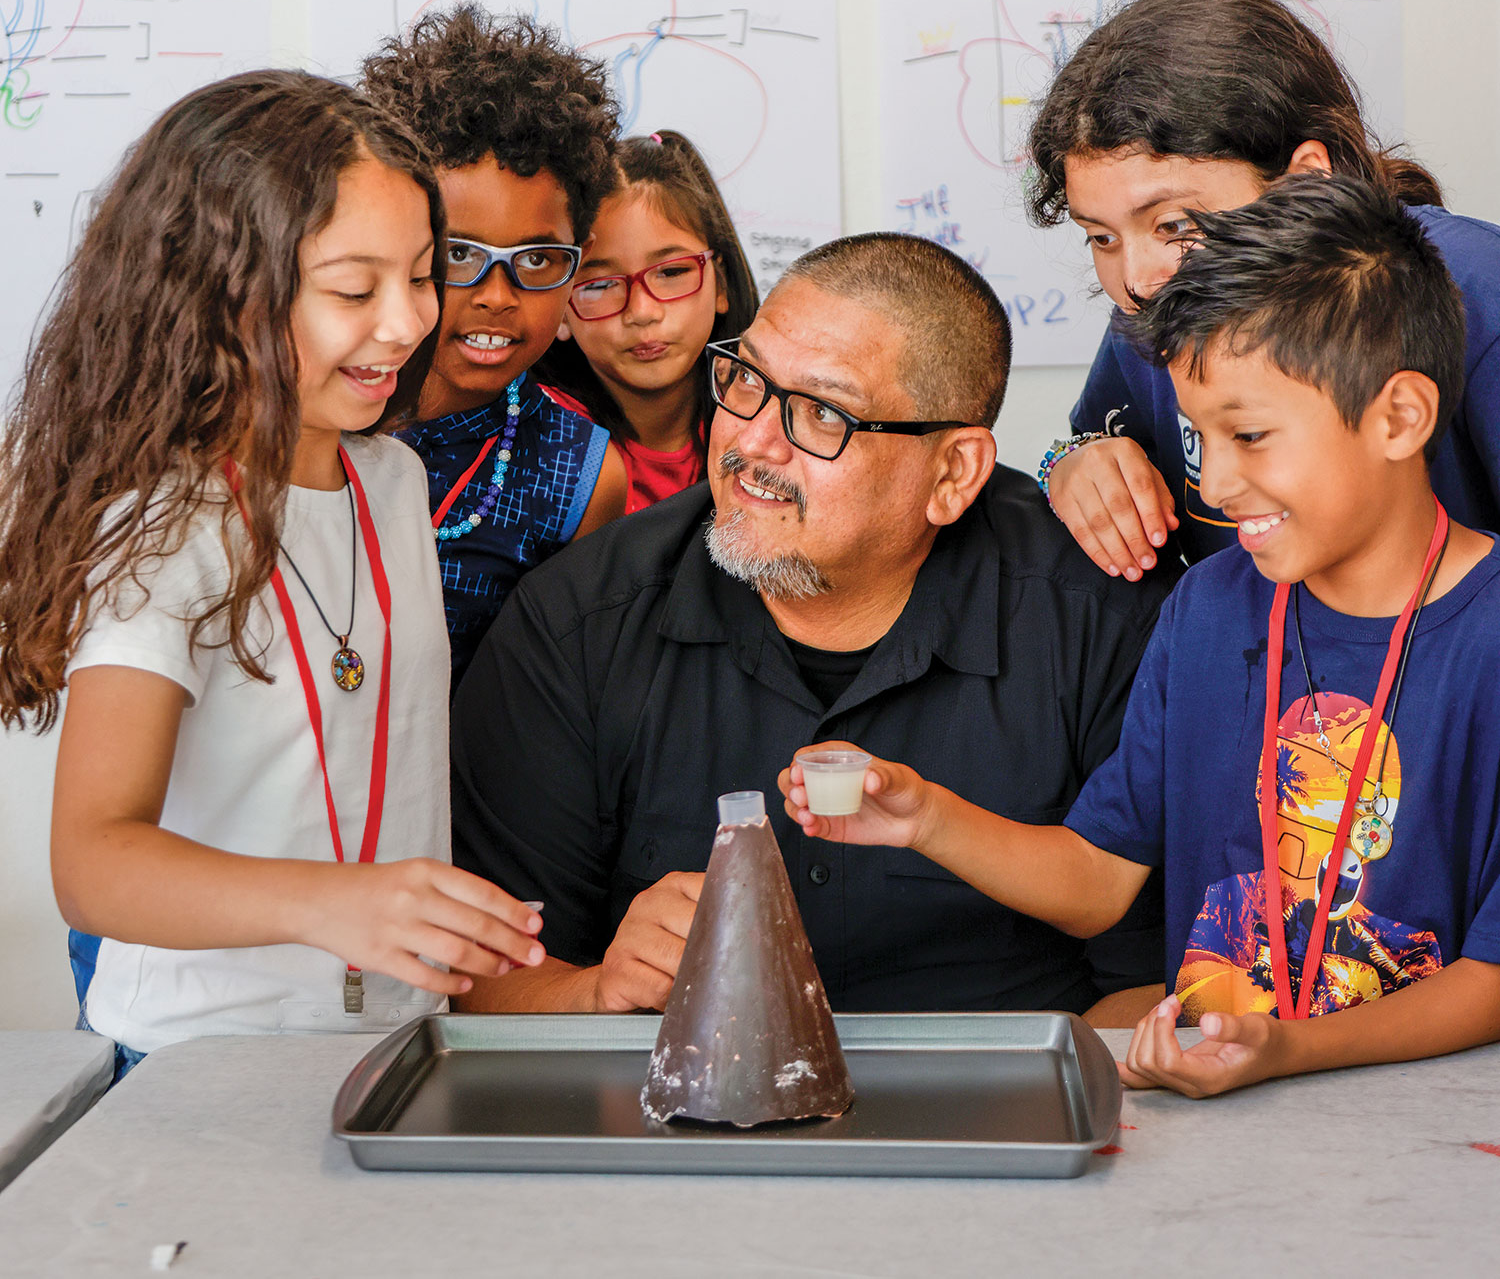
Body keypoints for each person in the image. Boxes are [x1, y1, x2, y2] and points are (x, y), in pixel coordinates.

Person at [784, 177, 1500, 1098]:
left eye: (1251, 436)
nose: (1218, 486)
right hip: (1217, 1135)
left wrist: (1286, 1049)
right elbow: (1098, 875)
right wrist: (925, 816)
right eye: (1202, 440)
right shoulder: (1210, 606)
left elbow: (1489, 983)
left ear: (1399, 417)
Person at [451, 233, 1173, 1019]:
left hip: (998, 1119)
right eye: (746, 381)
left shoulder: (1097, 616)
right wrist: (596, 992)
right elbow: (485, 976)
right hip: (684, 1120)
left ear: (953, 472)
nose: (750, 442)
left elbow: (1153, 986)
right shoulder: (579, 621)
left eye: (822, 414)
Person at [0, 71, 543, 1075]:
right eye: (353, 289)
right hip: (199, 1059)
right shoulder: (168, 523)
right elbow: (91, 862)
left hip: (390, 1042)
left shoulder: (391, 479)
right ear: (222, 292)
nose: (406, 322)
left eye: (424, 274)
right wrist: (336, 902)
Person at [1029, 0, 1500, 581]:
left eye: (1174, 224)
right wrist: (1076, 461)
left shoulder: (1477, 291)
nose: (1138, 281)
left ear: (1307, 179)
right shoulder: (1153, 308)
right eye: (1101, 237)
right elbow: (1096, 435)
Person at [360, 4, 628, 684]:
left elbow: (561, 697)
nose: (499, 294)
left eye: (537, 259)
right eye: (459, 253)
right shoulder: (317, 416)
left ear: (580, 261)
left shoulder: (580, 475)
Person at [536, 130, 759, 513]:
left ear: (720, 285)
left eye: (671, 273)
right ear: (560, 308)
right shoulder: (543, 448)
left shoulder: (765, 431)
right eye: (601, 284)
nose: (641, 312)